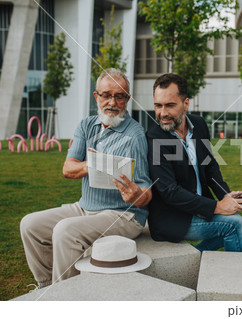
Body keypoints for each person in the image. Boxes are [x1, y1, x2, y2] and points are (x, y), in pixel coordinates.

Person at [20, 68, 152, 288]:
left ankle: (66, 298)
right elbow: (68, 169)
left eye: (119, 96)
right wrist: (96, 164)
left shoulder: (135, 135)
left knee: (65, 231)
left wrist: (136, 195)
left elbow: (145, 188)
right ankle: (46, 288)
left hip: (123, 215)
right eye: (106, 95)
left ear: (127, 100)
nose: (112, 102)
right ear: (96, 97)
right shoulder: (86, 125)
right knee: (30, 224)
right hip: (85, 207)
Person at [146, 73, 242, 252]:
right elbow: (169, 192)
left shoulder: (199, 124)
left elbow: (210, 166)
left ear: (186, 103)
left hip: (199, 208)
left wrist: (225, 196)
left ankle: (196, 260)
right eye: (158, 105)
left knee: (235, 225)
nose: (162, 113)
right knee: (235, 225)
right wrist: (217, 207)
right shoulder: (154, 138)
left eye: (170, 105)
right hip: (172, 218)